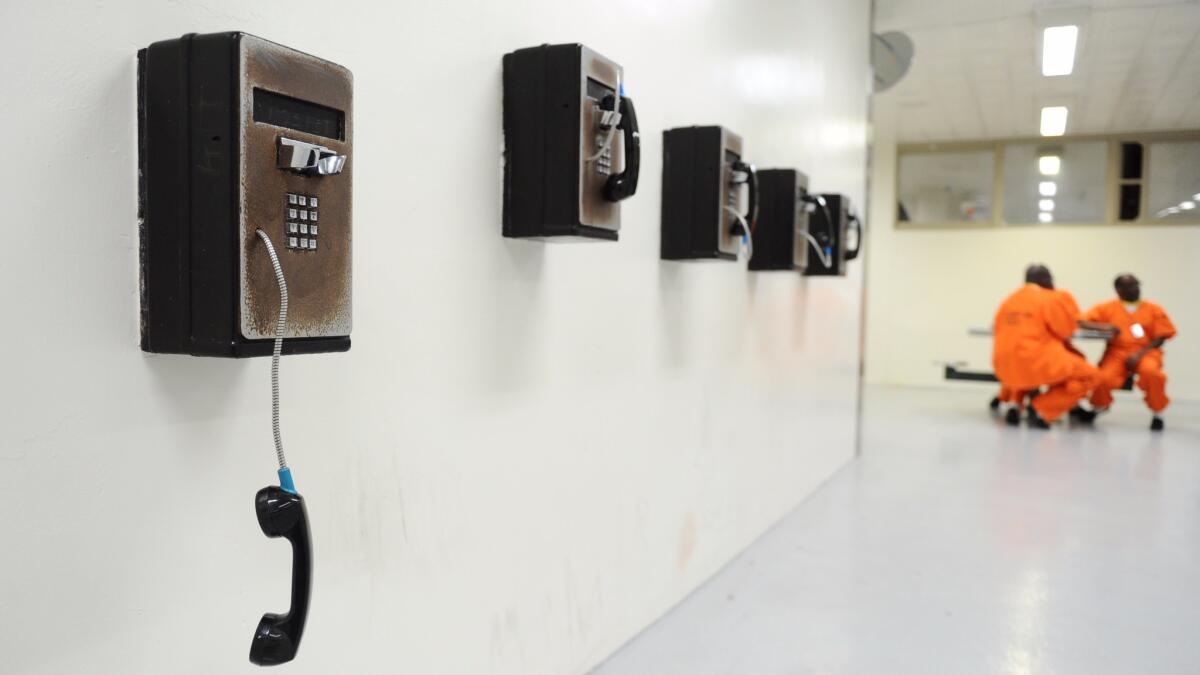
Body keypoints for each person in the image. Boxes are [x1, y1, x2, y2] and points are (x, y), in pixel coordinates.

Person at [992, 264, 1101, 429]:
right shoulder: (1049, 298)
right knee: (1090, 375)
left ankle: (1016, 404)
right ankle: (1040, 408)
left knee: (1049, 369)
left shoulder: (1008, 301)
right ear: (1045, 279)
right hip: (1036, 360)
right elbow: (1066, 330)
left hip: (1004, 366)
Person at [1079, 274, 1176, 431]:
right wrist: (1104, 327)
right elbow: (1081, 321)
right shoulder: (1106, 308)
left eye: (1136, 285)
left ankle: (1158, 413)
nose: (1135, 289)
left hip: (1146, 352)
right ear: (1118, 289)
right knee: (1101, 378)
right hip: (1117, 352)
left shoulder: (1153, 309)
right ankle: (1099, 407)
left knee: (1152, 374)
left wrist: (1139, 355)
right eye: (1130, 286)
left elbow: (1162, 335)